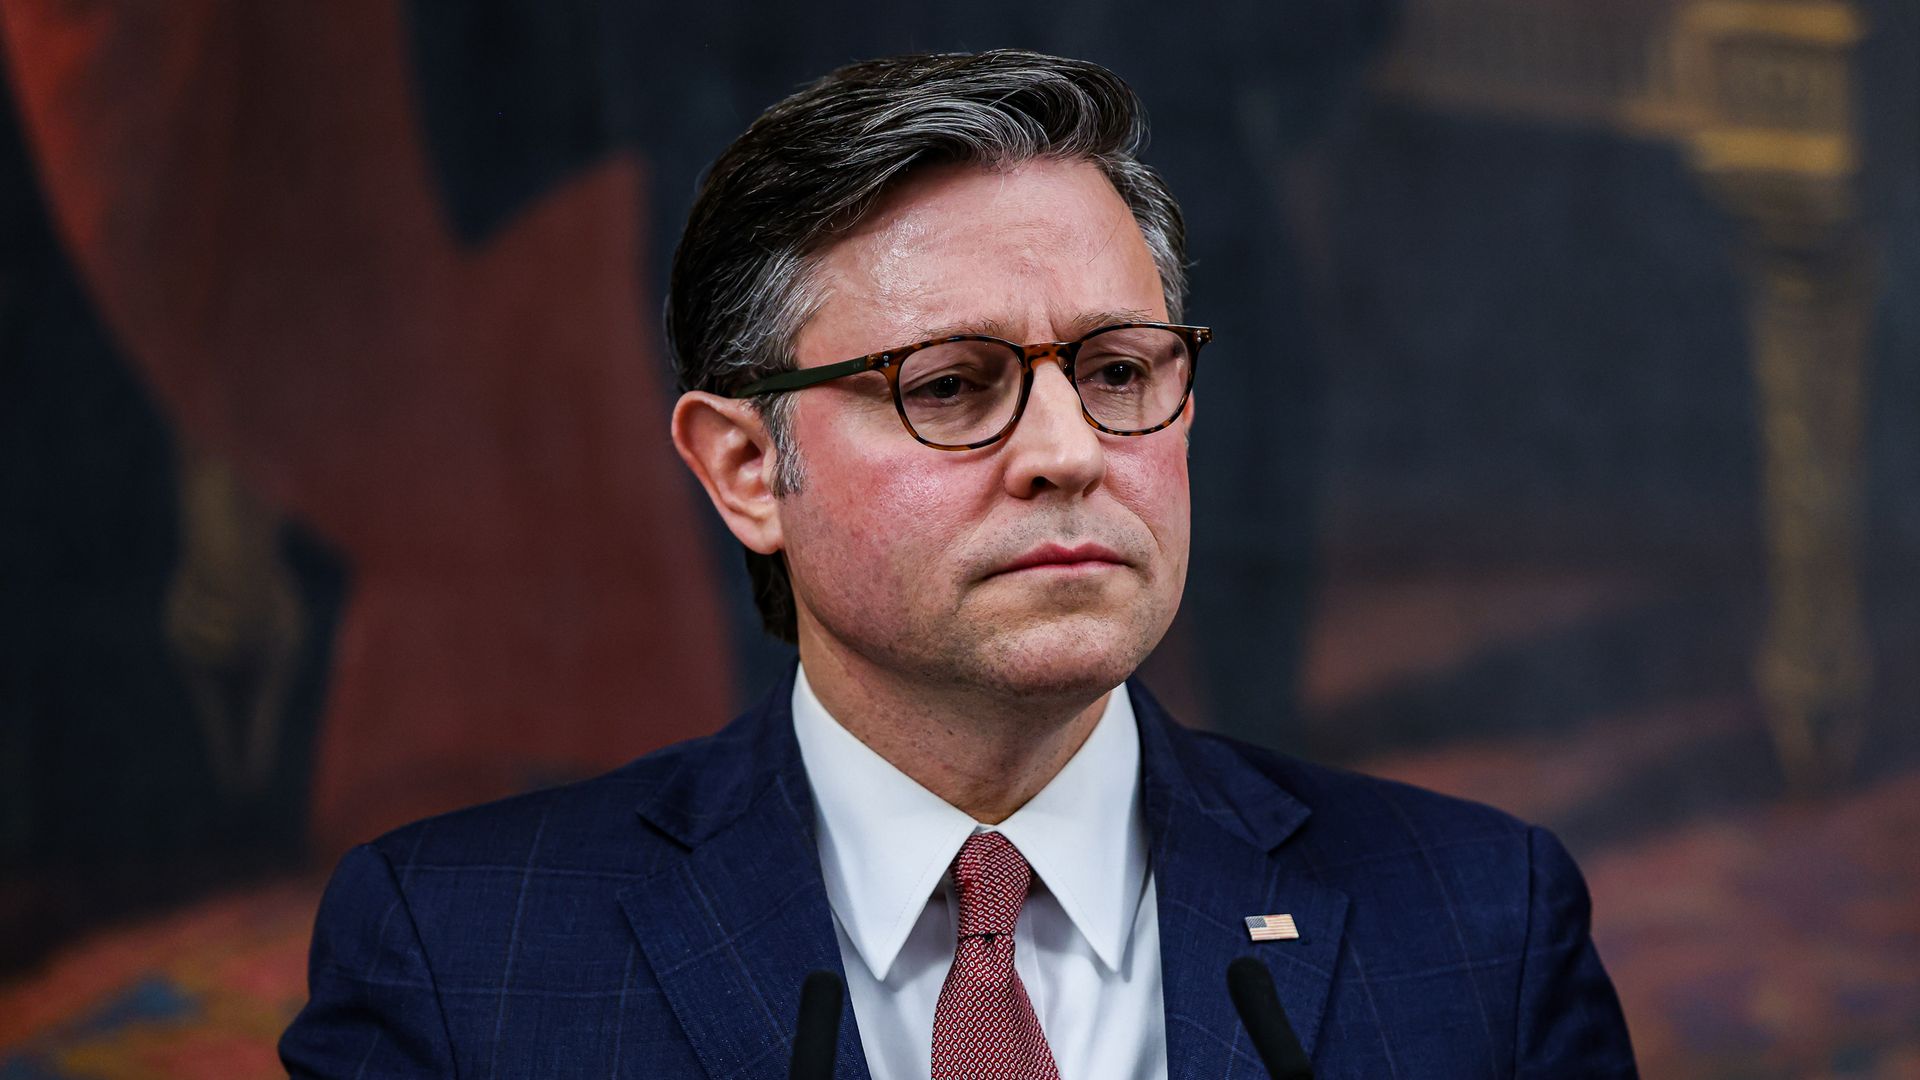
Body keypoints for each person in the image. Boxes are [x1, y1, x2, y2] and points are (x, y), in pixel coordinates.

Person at [280, 50, 1637, 1078]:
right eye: (950, 385)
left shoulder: (1478, 924)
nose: (1068, 451)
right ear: (748, 471)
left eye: (1118, 371)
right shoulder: (464, 956)